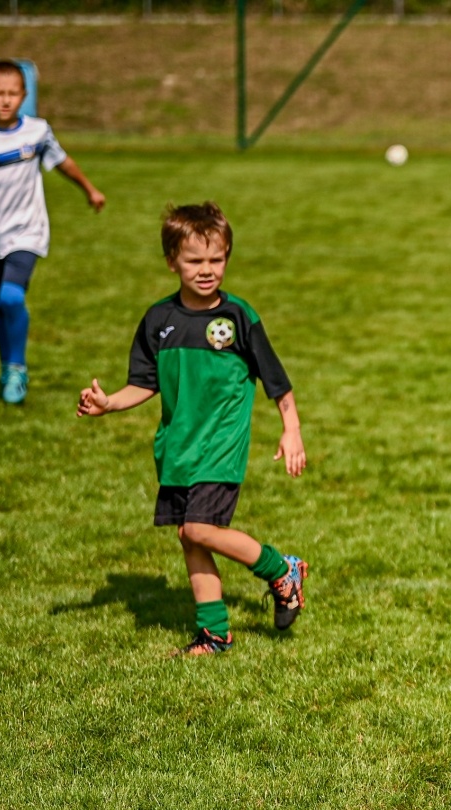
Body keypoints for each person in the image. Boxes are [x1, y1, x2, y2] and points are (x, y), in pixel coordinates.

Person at [75, 202, 308, 657]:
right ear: (171, 262)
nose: (207, 270)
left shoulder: (239, 317)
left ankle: (283, 569)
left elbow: (277, 381)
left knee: (199, 528)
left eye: (216, 259)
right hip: (179, 446)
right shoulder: (159, 321)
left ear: (227, 257)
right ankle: (214, 634)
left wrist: (291, 428)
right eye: (194, 261)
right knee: (188, 535)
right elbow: (143, 384)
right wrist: (108, 404)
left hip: (222, 443)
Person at [0, 59, 106, 405]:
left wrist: (89, 189)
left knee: (13, 296)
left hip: (28, 230)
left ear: (24, 95)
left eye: (13, 93)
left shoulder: (37, 131)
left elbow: (63, 162)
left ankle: (17, 368)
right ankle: (7, 366)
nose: (6, 100)